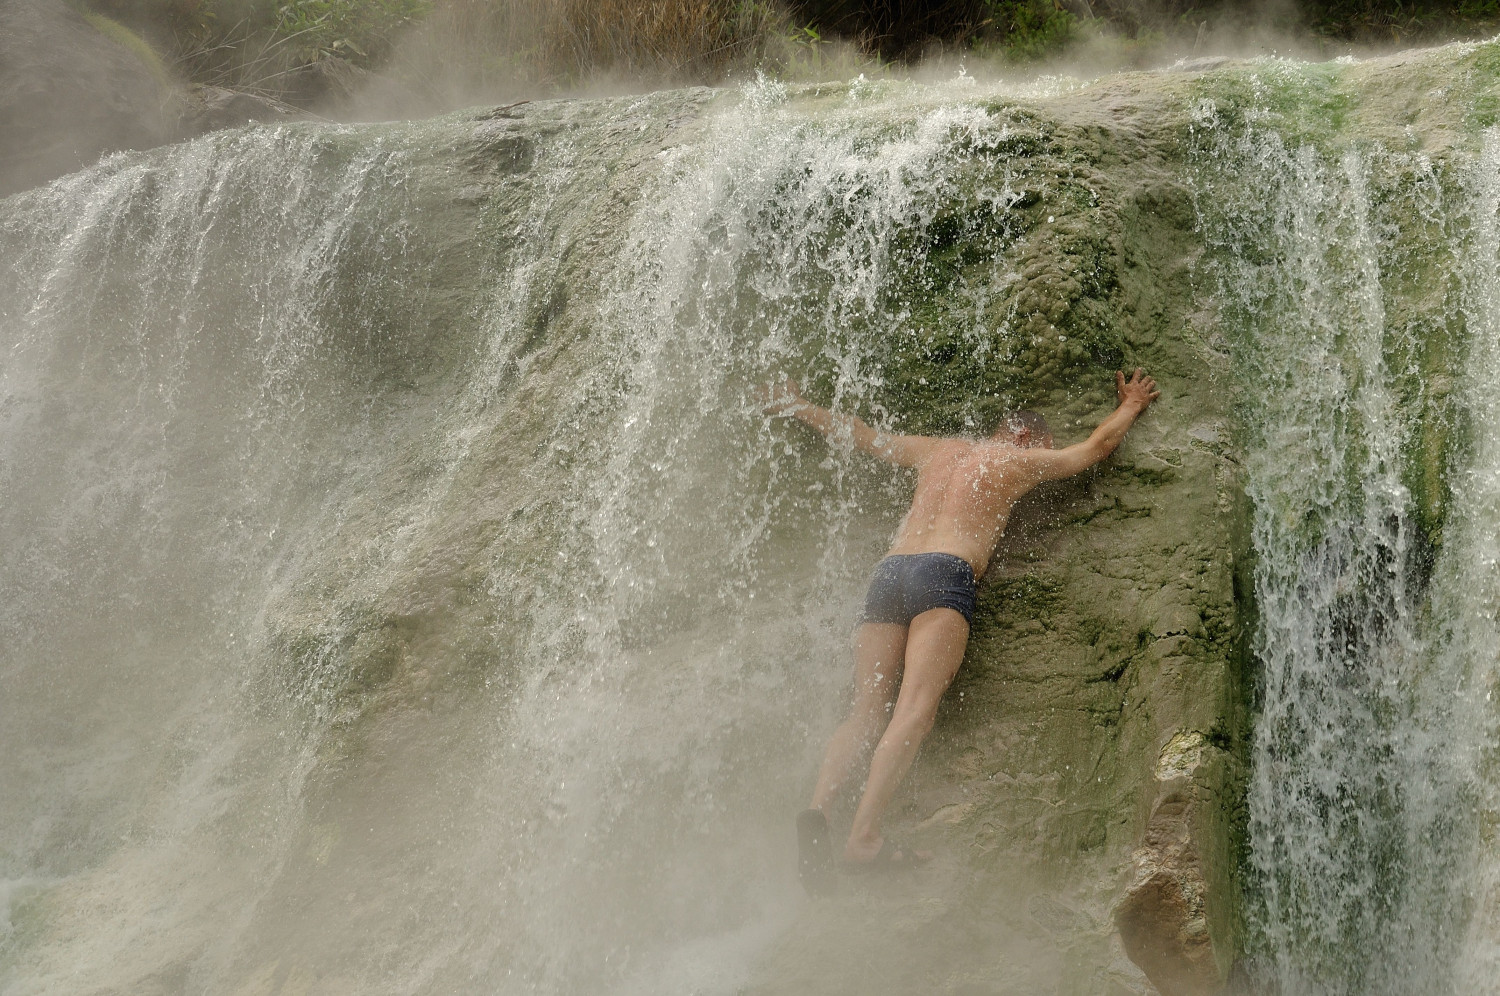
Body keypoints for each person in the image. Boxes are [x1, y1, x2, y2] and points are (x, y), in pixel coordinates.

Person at [761, 369, 1160, 894]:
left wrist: (798, 405)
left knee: (864, 709)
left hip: (890, 573)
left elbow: (860, 434)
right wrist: (1131, 404)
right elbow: (1095, 447)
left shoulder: (940, 451)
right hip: (942, 572)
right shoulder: (1016, 459)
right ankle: (863, 838)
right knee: (914, 711)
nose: (1047, 449)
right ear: (1023, 437)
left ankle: (818, 809)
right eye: (1043, 442)